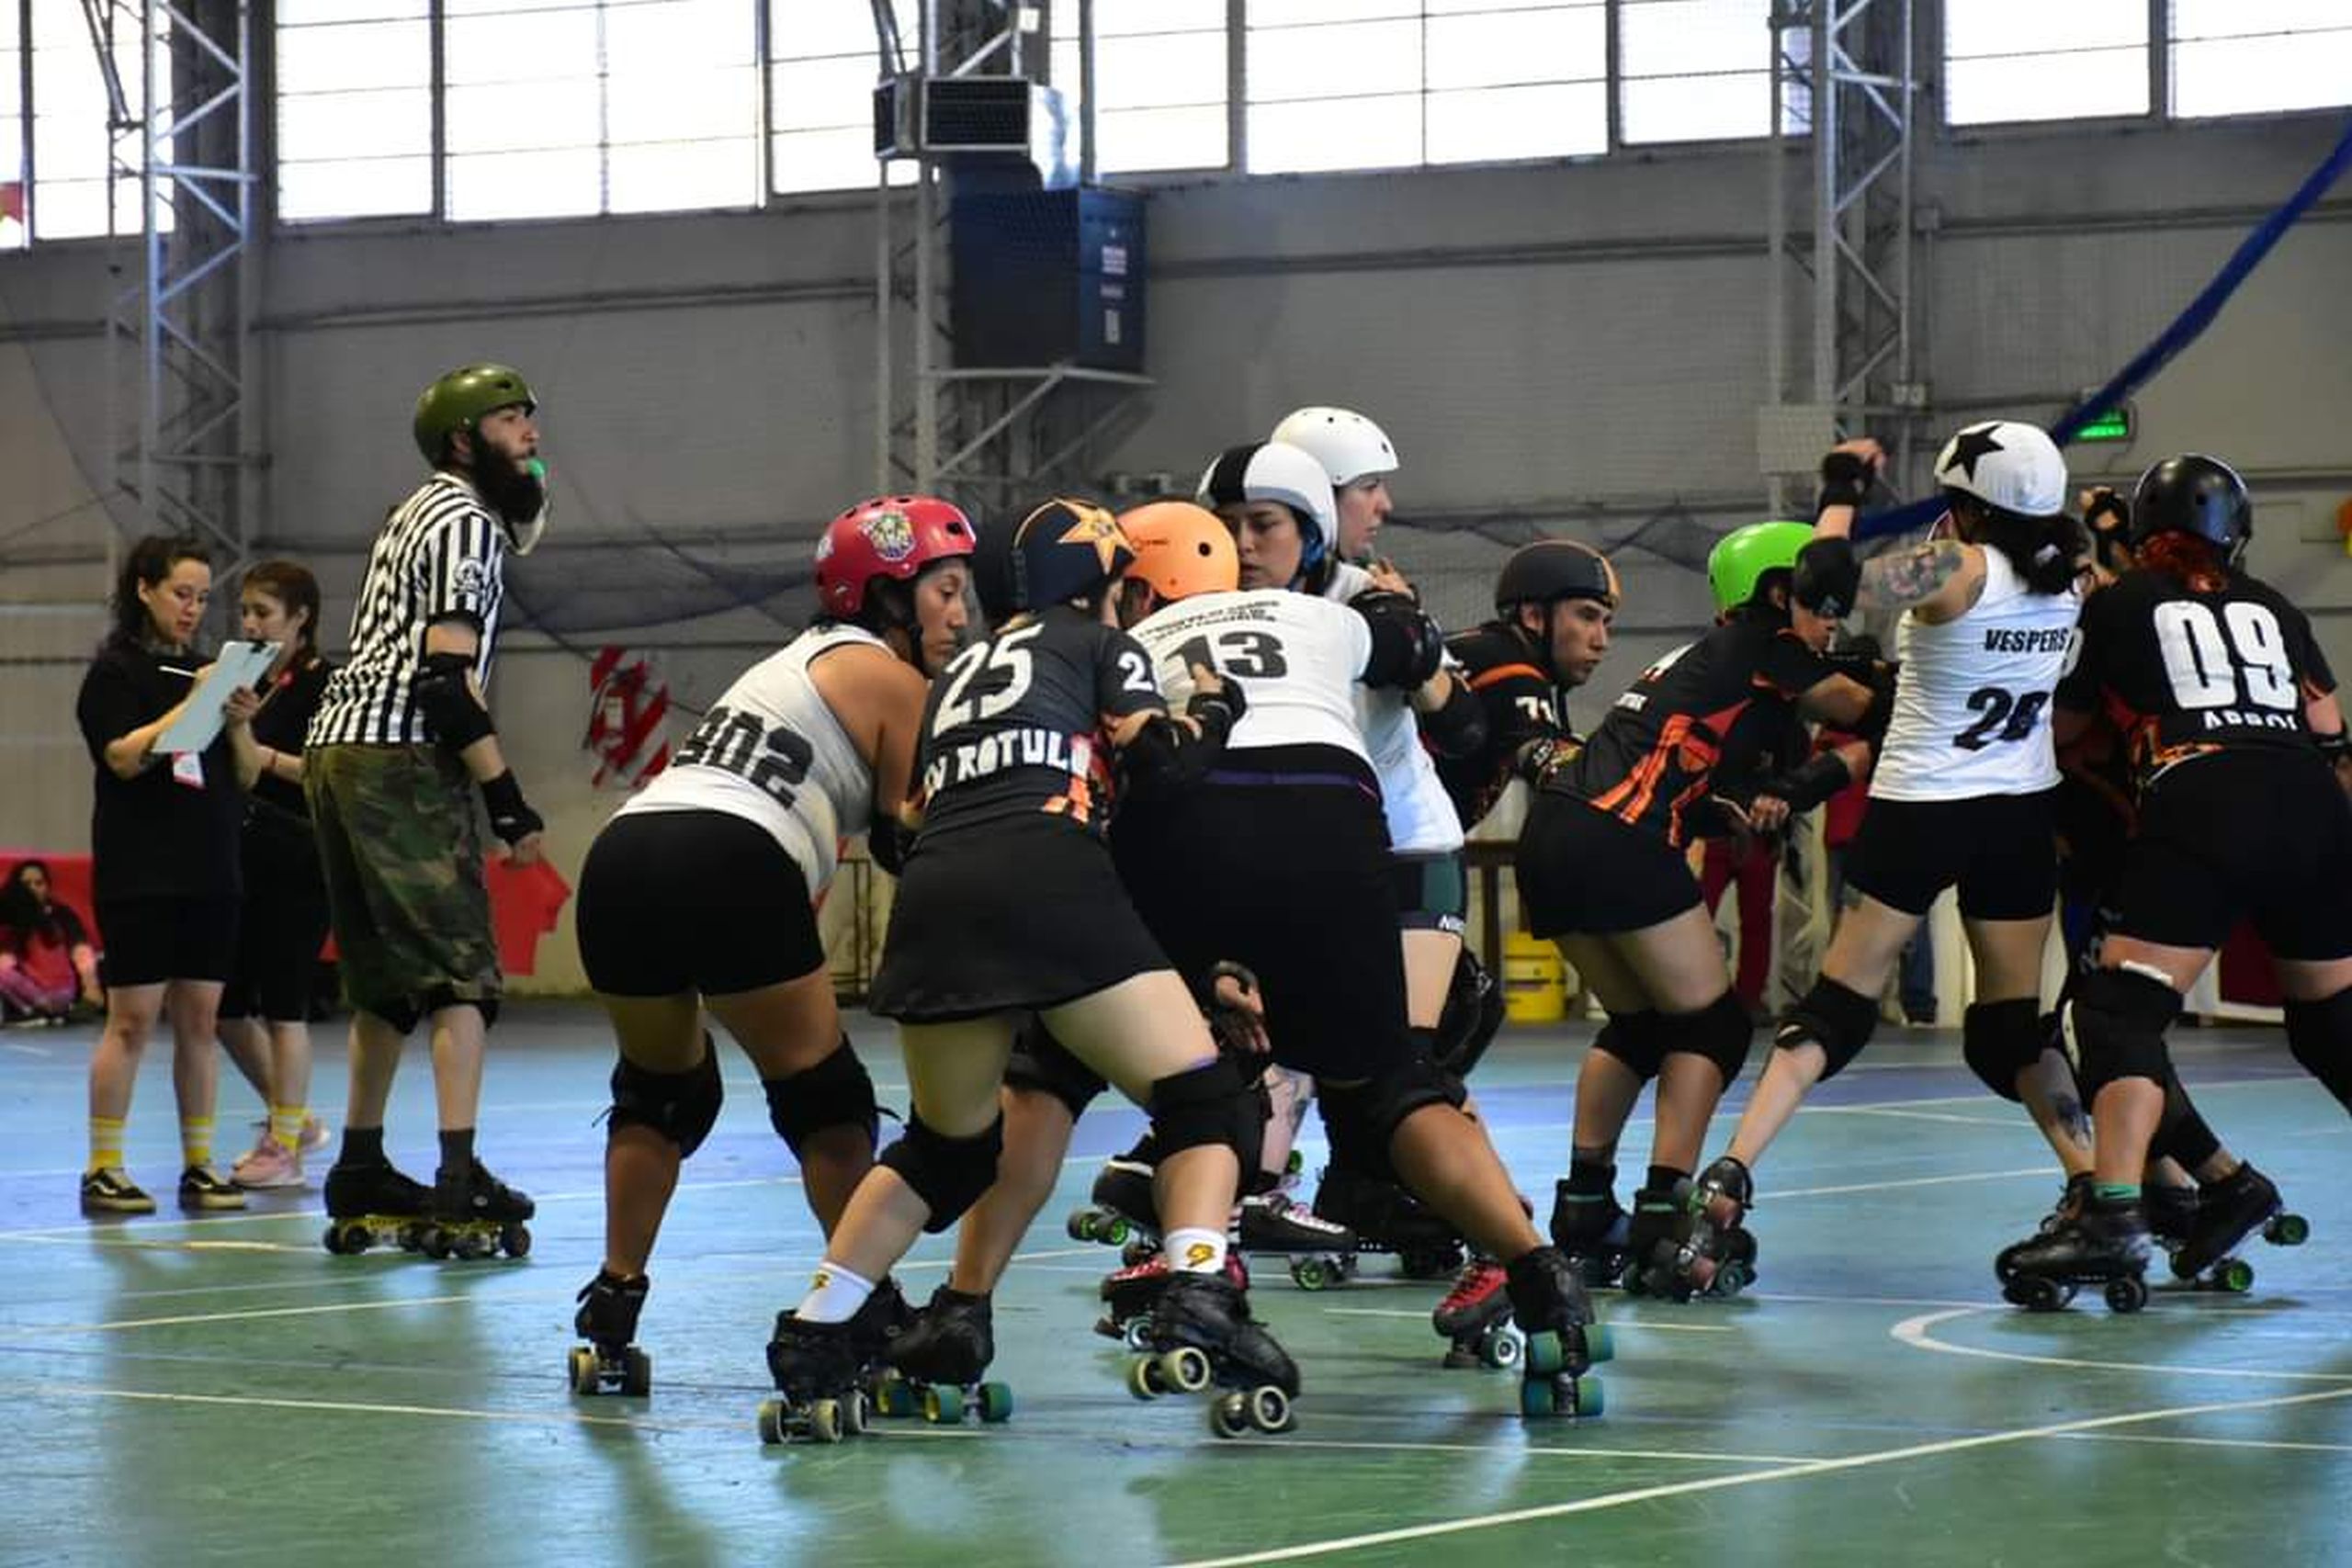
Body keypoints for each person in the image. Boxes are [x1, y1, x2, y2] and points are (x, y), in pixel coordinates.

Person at [760, 498, 1284, 1442]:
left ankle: (816, 1331)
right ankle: (1200, 1287)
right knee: (1206, 1098)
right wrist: (1212, 707)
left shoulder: (955, 675)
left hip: (933, 902)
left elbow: (905, 820)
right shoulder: (1090, 640)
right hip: (1051, 879)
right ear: (1098, 584)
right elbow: (1161, 764)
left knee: (942, 1148)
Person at [1104, 500, 1604, 1410]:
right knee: (1389, 1082)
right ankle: (1535, 1267)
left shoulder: (1130, 643)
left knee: (1207, 1078)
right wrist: (1399, 622)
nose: (1254, 545)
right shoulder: (1333, 611)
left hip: (1209, 819)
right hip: (1333, 813)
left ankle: (1196, 1269)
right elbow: (1452, 714)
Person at [566, 495, 970, 1390]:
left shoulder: (785, 666)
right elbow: (917, 841)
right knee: (826, 1105)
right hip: (730, 858)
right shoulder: (894, 681)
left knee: (661, 1096)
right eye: (942, 590)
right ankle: (862, 1307)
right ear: (886, 599)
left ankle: (614, 1299)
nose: (960, 612)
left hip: (625, 855)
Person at [1679, 426, 2090, 1295]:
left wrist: (1842, 488)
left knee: (1833, 1011)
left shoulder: (1954, 571)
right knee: (2014, 1028)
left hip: (1919, 809)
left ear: (1968, 507)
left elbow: (1822, 583)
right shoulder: (2073, 583)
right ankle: (2094, 1182)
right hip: (2018, 813)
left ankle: (1730, 1172)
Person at [2003, 455, 2352, 1310]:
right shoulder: (2273, 604)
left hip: (2201, 791)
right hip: (2310, 801)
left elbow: (2064, 732)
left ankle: (2114, 1214)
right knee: (2332, 1025)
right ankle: (2184, 1191)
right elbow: (2332, 737)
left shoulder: (2117, 603)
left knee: (2117, 1012)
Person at [1528, 518, 1883, 1295]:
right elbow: (1867, 711)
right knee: (1715, 1027)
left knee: (1642, 1024)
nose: (1832, 623)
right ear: (1776, 591)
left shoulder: (1710, 662)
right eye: (1822, 605)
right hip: (1619, 835)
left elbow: (1730, 782)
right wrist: (1901, 686)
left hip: (1555, 832)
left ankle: (1585, 1206)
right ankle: (1664, 1215)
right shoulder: (1764, 642)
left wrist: (1762, 799)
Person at [1198, 436, 1497, 1310]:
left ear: (1314, 533)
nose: (1245, 546)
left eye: (1264, 525)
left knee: (1402, 1071)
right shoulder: (1203, 610)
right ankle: (1216, 1243)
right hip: (1296, 862)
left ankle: (1508, 1247)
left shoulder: (1361, 603)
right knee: (1233, 1060)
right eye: (1225, 528)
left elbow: (1467, 729)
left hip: (1403, 852)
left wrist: (1420, 654)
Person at [305, 363, 550, 1255]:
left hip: (338, 751)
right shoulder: (465, 522)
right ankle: (457, 1173)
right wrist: (509, 802)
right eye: (510, 421)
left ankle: (361, 1162)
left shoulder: (411, 511)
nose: (530, 434)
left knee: (380, 981)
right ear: (462, 440)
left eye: (530, 419)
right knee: (459, 977)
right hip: (400, 754)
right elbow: (446, 686)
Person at [74, 536, 266, 1214]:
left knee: (201, 1021)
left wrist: (236, 721)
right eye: (181, 593)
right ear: (144, 591)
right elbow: (123, 757)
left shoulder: (206, 673)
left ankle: (199, 1163)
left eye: (202, 597)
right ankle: (103, 1166)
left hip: (211, 868)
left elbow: (243, 776)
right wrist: (190, 707)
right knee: (132, 1019)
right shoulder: (114, 674)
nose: (192, 608)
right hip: (141, 871)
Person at [218, 562, 337, 1189]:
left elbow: (328, 771)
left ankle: (284, 1146)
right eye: (245, 612)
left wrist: (255, 747)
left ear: (301, 618)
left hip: (299, 859)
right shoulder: (253, 679)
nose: (251, 623)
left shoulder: (323, 684)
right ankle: (296, 1117)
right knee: (226, 1007)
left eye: (265, 612)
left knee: (286, 1008)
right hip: (245, 857)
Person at [0, 860, 102, 1024]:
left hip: (62, 989)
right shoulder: (12, 917)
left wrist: (91, 986)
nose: (32, 888)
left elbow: (81, 950)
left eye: (38, 883)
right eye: (26, 884)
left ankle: (43, 1010)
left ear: (47, 887)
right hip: (29, 988)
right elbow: (8, 957)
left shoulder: (61, 915)